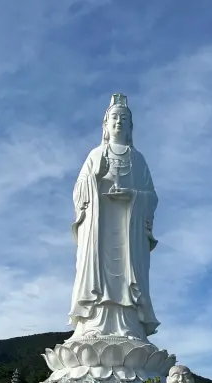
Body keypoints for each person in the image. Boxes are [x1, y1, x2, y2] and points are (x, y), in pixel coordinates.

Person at [70, 93, 160, 341]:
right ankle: (92, 325)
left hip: (128, 229)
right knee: (97, 271)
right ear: (106, 125)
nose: (119, 122)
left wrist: (132, 195)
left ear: (130, 126)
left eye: (124, 118)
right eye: (114, 118)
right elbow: (78, 191)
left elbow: (151, 196)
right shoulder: (95, 155)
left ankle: (130, 325)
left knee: (128, 274)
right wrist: (93, 178)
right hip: (99, 225)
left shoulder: (137, 159)